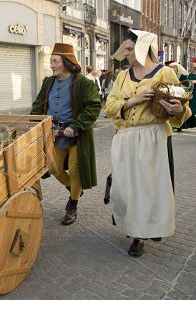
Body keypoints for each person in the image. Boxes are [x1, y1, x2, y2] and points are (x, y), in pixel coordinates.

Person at [106, 30, 192, 257]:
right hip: (125, 139)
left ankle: (140, 236)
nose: (126, 54)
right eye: (125, 49)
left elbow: (183, 105)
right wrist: (131, 101)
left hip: (153, 138)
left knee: (147, 190)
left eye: (130, 49)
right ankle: (131, 224)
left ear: (144, 48)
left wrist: (179, 109)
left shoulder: (164, 73)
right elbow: (110, 106)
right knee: (125, 188)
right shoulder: (123, 76)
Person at [31, 43, 101, 226]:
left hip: (76, 136)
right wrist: (34, 123)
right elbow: (38, 105)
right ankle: (73, 189)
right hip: (55, 135)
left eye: (55, 61)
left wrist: (76, 126)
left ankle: (73, 204)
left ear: (67, 62)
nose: (52, 65)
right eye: (51, 62)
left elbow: (94, 107)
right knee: (53, 167)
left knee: (76, 171)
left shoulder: (83, 83)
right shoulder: (48, 82)